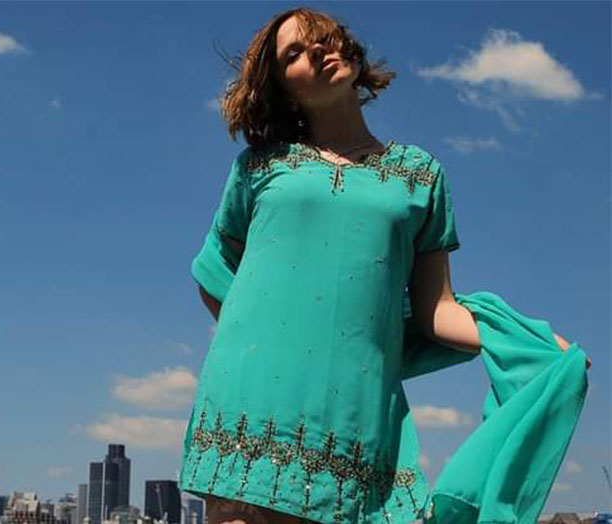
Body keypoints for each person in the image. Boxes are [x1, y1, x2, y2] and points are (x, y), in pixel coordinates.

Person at [176, 7, 590, 524]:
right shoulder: (260, 167)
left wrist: (528, 340)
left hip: (354, 407)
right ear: (283, 86)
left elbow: (436, 309)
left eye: (323, 40)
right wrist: (275, 343)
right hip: (248, 398)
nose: (316, 53)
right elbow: (215, 274)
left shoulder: (420, 175)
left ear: (349, 49)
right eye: (294, 54)